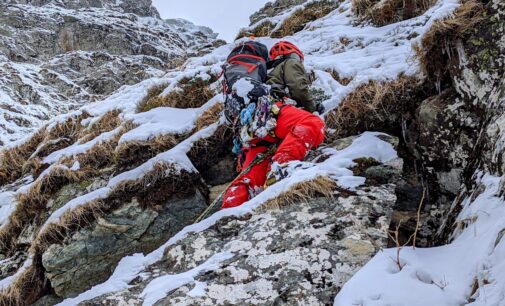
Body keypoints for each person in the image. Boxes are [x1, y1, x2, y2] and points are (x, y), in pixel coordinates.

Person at [221, 40, 326, 209]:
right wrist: (312, 108)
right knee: (311, 123)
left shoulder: (262, 76)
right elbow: (298, 87)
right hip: (272, 113)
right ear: (295, 54)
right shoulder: (290, 62)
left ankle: (228, 216)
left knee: (249, 179)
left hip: (252, 128)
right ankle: (281, 167)